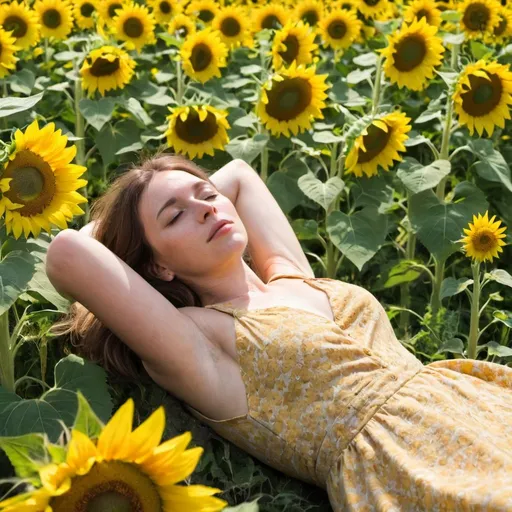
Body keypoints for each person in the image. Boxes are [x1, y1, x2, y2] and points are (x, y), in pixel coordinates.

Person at [46, 152, 512, 511]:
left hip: (478, 404)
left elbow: (242, 176)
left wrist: (181, 196)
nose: (206, 210)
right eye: (175, 216)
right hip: (408, 464)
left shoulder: (291, 276)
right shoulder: (199, 340)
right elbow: (68, 254)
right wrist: (127, 220)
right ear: (157, 265)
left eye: (207, 195)